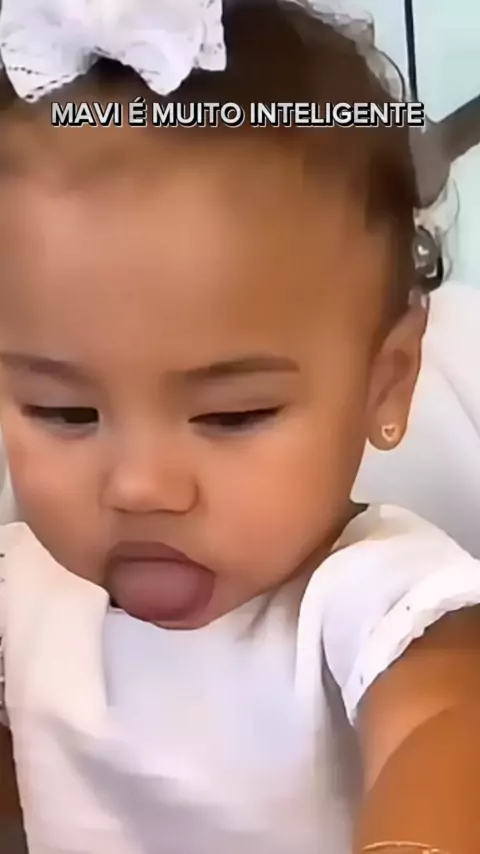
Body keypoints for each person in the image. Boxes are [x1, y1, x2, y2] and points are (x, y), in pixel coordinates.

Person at [0, 1, 479, 852]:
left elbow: (447, 729)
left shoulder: (369, 599)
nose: (141, 487)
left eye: (231, 415)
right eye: (63, 411)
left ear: (387, 382)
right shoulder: (26, 593)